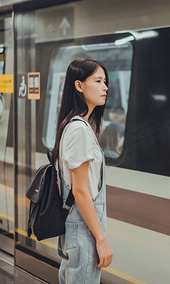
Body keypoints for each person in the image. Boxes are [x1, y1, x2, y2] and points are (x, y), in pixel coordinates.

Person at [52, 58, 113, 283]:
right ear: (79, 86)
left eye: (105, 81)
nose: (105, 87)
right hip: (84, 229)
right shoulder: (79, 130)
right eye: (97, 81)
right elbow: (80, 191)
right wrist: (101, 239)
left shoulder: (76, 125)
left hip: (78, 227)